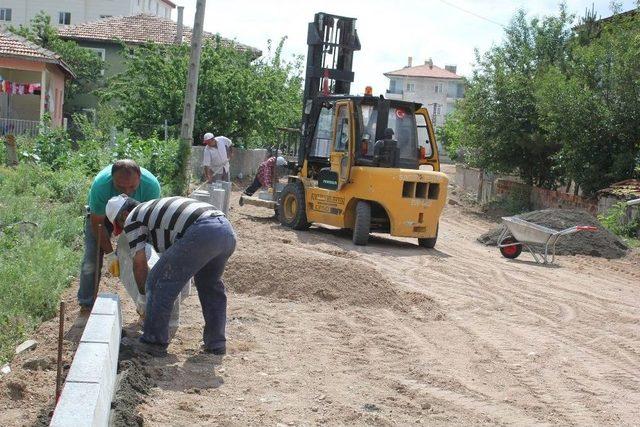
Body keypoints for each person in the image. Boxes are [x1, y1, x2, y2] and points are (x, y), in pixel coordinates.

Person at [106, 194, 237, 357]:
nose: (125, 230)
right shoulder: (153, 212)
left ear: (124, 215)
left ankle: (153, 342)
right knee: (209, 285)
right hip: (225, 231)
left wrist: (143, 296)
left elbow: (139, 262)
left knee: (157, 281)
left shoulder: (132, 218)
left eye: (120, 225)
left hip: (203, 230)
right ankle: (216, 343)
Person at [78, 160, 161, 312]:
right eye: (121, 187)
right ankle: (86, 303)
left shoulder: (151, 186)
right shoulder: (101, 185)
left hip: (136, 217)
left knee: (143, 257)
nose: (127, 191)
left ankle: (145, 303)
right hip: (102, 217)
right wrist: (110, 254)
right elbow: (97, 224)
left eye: (132, 187)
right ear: (112, 178)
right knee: (92, 258)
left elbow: (149, 222)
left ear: (140, 178)